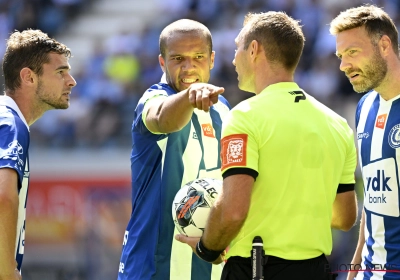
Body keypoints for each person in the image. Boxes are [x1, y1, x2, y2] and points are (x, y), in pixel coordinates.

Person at [176, 11, 358, 280]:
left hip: (257, 269)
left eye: (237, 47)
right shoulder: (338, 124)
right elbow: (345, 217)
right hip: (316, 270)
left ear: (253, 50)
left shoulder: (245, 116)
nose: (233, 58)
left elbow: (233, 211)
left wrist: (207, 248)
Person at [117, 19, 231, 280]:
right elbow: (160, 117)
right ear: (162, 62)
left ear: (212, 59)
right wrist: (191, 96)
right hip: (154, 269)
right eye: (178, 58)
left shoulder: (223, 107)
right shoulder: (155, 98)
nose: (188, 67)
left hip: (211, 268)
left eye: (198, 57)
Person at [330, 4, 400, 280]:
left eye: (352, 52)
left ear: (384, 45)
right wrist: (356, 263)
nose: (343, 65)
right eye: (340, 55)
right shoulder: (365, 106)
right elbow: (374, 198)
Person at [0, 29, 76, 279]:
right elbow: (4, 197)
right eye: (60, 72)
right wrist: (6, 271)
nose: (71, 81)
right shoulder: (10, 124)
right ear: (28, 77)